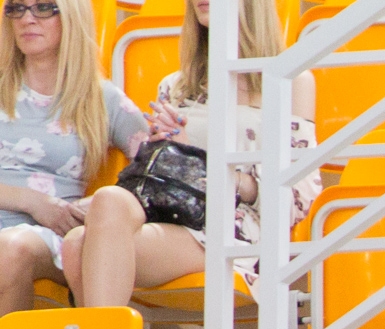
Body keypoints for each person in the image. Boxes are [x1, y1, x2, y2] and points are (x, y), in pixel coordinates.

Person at [62, 0, 319, 306]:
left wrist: (212, 169)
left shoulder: (290, 81)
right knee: (103, 205)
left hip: (236, 221)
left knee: (80, 246)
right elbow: (159, 173)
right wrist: (171, 148)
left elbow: (299, 195)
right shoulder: (176, 86)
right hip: (173, 207)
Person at [0, 0, 149, 316]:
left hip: (43, 238)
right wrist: (33, 201)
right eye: (16, 8)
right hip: (31, 212)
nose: (27, 19)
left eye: (43, 8)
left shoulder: (101, 99)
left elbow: (154, 169)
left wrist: (96, 207)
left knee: (11, 249)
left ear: (71, 16)